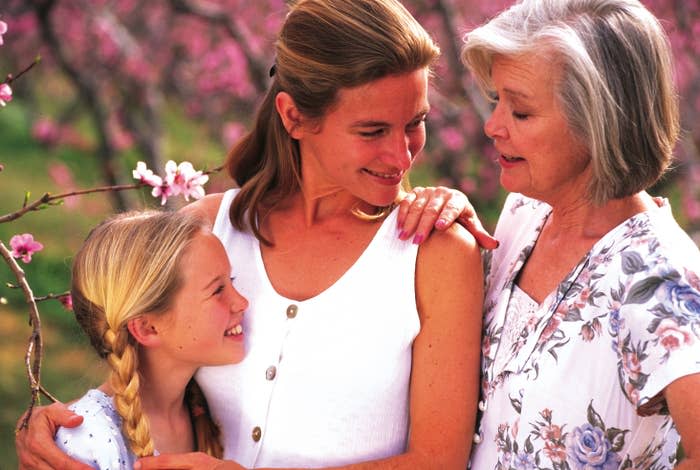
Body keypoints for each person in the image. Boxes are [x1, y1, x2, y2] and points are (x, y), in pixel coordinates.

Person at [16, 0, 485, 469]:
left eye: (416, 123)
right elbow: (139, 364)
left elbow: (437, 460)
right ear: (294, 115)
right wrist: (64, 428)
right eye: (372, 130)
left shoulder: (434, 253)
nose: (402, 157)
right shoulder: (207, 233)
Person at [460, 0, 700, 468]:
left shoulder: (659, 278)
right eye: (496, 102)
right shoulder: (524, 213)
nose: (493, 127)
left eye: (521, 113)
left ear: (598, 122)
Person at [54, 210, 248, 468]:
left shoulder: (203, 410)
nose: (242, 302)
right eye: (217, 290)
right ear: (147, 328)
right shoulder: (86, 441)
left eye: (231, 280)